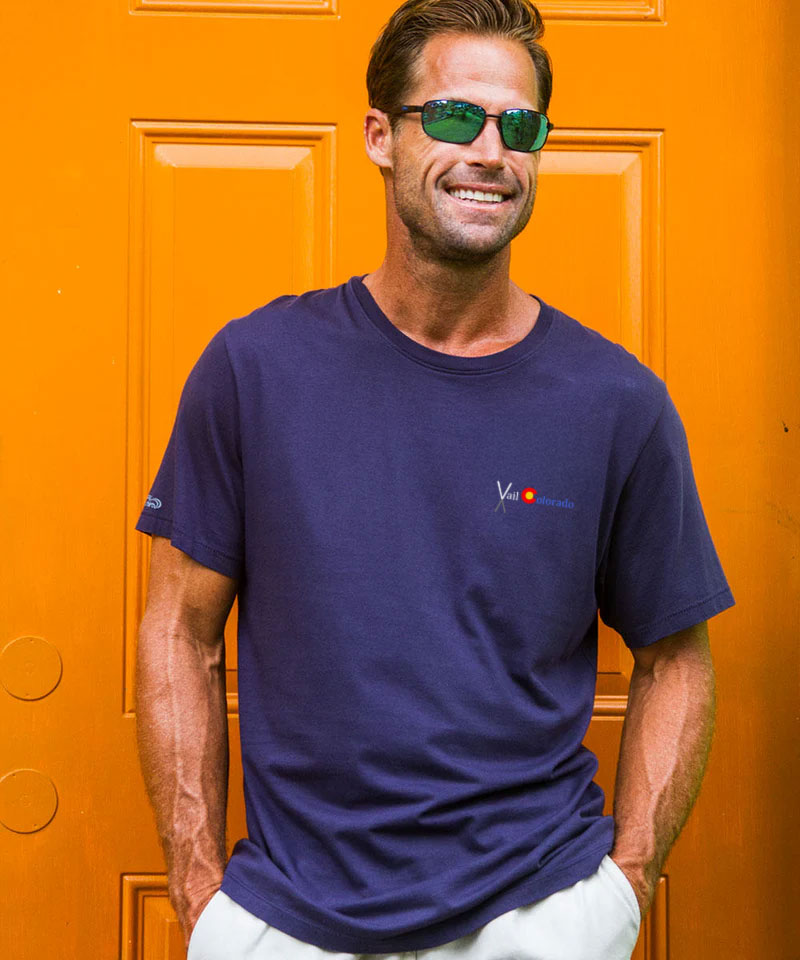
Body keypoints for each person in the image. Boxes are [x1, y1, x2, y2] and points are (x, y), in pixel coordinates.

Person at [134, 1, 735, 958]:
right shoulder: (255, 369)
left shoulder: (616, 401)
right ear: (380, 135)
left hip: (540, 915)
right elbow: (178, 630)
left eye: (521, 126)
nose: (490, 151)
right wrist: (203, 891)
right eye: (455, 118)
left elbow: (677, 657)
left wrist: (623, 888)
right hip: (291, 924)